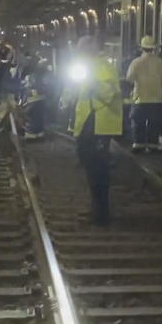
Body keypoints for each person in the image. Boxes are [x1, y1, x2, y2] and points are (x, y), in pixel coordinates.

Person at [62, 35, 123, 225]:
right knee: (90, 165)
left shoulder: (104, 67)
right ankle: (96, 209)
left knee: (98, 168)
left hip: (100, 123)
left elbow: (109, 93)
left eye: (82, 51)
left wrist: (92, 83)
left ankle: (101, 214)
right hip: (90, 122)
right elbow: (76, 89)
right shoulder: (86, 67)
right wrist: (66, 98)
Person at [126, 35, 162, 152]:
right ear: (154, 48)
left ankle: (138, 145)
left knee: (138, 123)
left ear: (141, 48)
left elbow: (129, 78)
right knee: (154, 124)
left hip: (140, 99)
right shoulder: (161, 63)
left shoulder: (136, 62)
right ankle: (153, 146)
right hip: (156, 100)